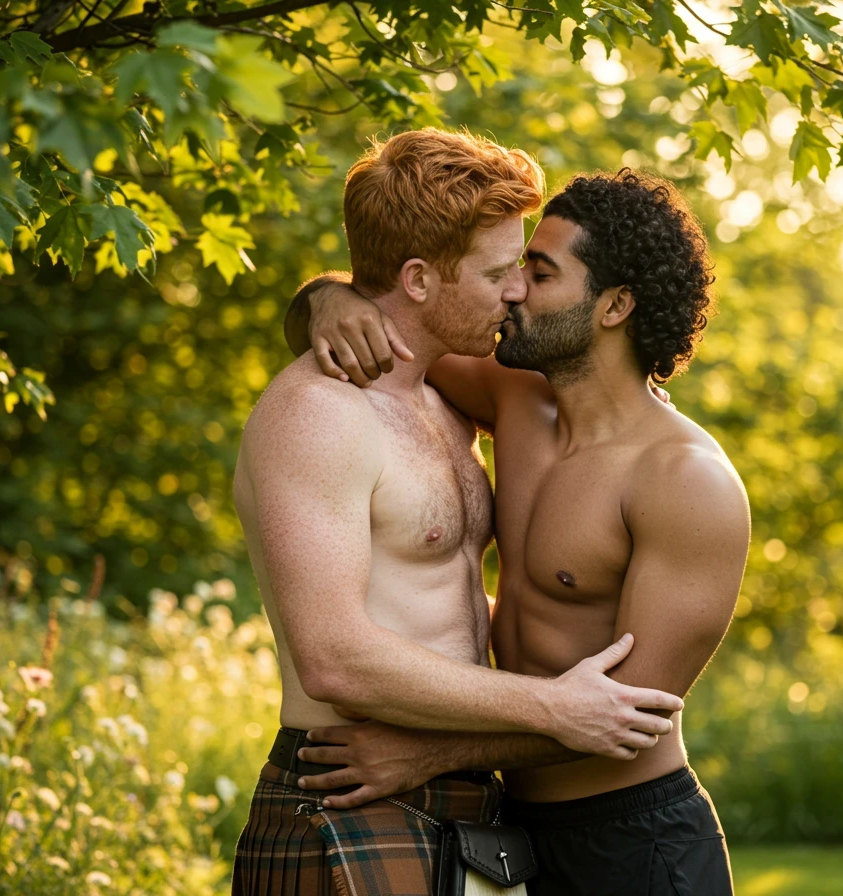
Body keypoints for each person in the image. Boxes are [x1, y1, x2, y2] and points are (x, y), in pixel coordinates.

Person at [230, 131, 686, 896]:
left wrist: (320, 294)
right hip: (351, 791)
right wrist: (551, 707)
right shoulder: (317, 415)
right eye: (500, 271)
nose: (518, 291)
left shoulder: (447, 397)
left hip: (467, 798)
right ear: (416, 278)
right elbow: (332, 658)